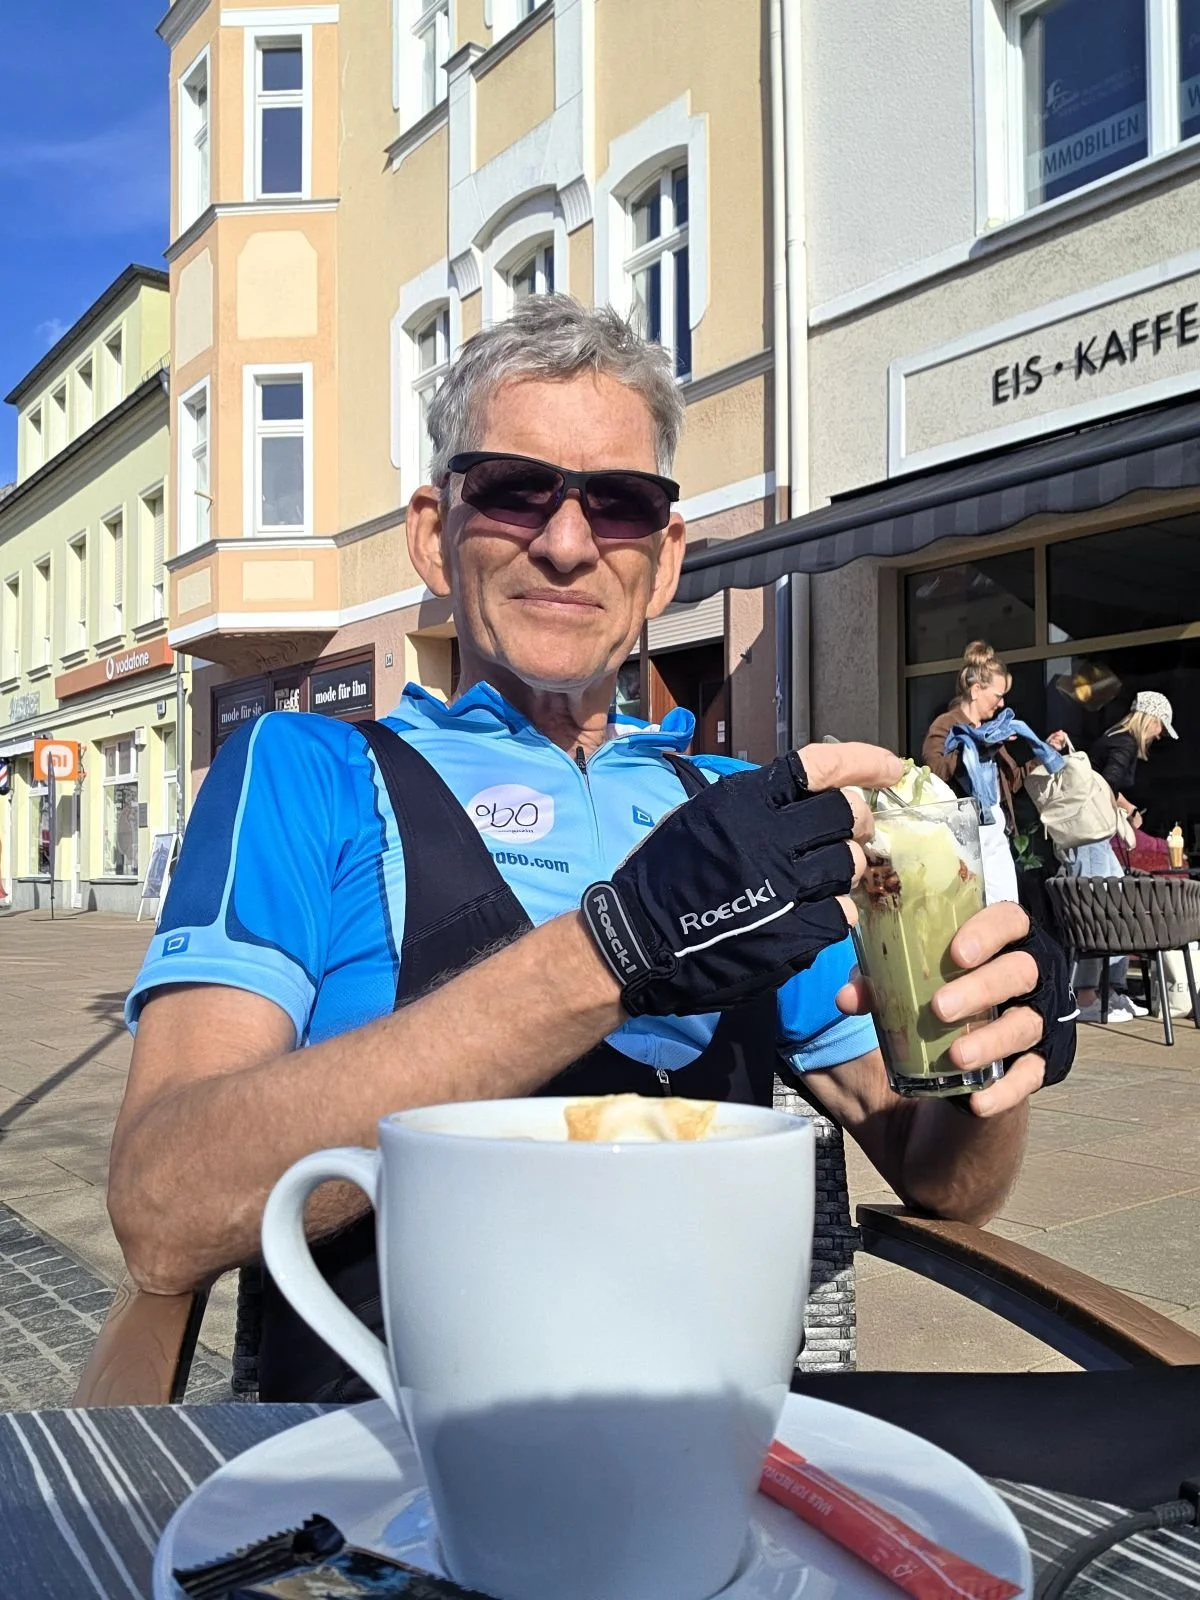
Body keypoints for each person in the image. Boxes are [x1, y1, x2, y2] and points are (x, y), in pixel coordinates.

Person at [108, 296, 1075, 1403]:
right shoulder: (310, 770)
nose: (566, 544)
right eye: (515, 490)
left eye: (617, 504)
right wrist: (616, 948)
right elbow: (162, 1205)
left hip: (718, 1455)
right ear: (435, 532)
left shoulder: (735, 810)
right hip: (397, 1475)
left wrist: (987, 1047)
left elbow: (939, 1176)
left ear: (665, 559)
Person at [1060, 691, 1179, 1024]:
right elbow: (1105, 784)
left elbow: (1102, 782)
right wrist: (1125, 810)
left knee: (1114, 907)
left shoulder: (1113, 738)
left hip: (1091, 834)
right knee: (1100, 913)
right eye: (1160, 728)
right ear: (1150, 719)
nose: (1158, 736)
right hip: (1091, 836)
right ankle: (1088, 995)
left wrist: (1127, 810)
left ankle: (1108, 991)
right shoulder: (1125, 744)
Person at [922, 640, 1065, 906]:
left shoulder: (991, 730)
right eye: (998, 695)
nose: (1001, 704)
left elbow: (1013, 783)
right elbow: (934, 776)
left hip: (995, 831)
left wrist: (1045, 752)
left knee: (1007, 907)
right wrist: (972, 748)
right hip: (962, 835)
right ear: (976, 690)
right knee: (972, 909)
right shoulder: (946, 725)